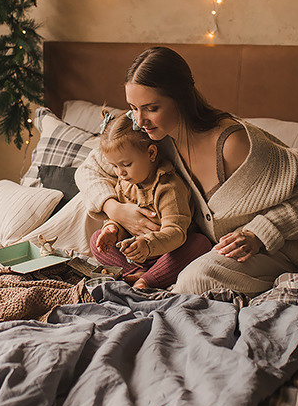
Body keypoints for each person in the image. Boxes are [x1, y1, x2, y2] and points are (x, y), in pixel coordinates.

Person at [77, 46, 298, 297]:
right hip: (208, 247)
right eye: (133, 107)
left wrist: (259, 233)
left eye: (151, 108)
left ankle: (151, 275)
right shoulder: (151, 136)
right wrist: (116, 209)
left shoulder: (233, 144)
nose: (140, 121)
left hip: (275, 250)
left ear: (182, 99)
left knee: (194, 281)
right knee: (90, 213)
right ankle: (149, 273)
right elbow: (88, 169)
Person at [88, 108, 212, 290]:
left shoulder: (168, 187)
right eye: (114, 166)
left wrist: (147, 245)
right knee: (96, 239)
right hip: (135, 252)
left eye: (126, 164)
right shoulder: (124, 183)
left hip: (168, 251)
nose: (120, 173)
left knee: (200, 244)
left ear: (151, 153)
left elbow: (176, 232)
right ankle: (138, 273)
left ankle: (147, 280)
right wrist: (112, 230)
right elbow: (120, 221)